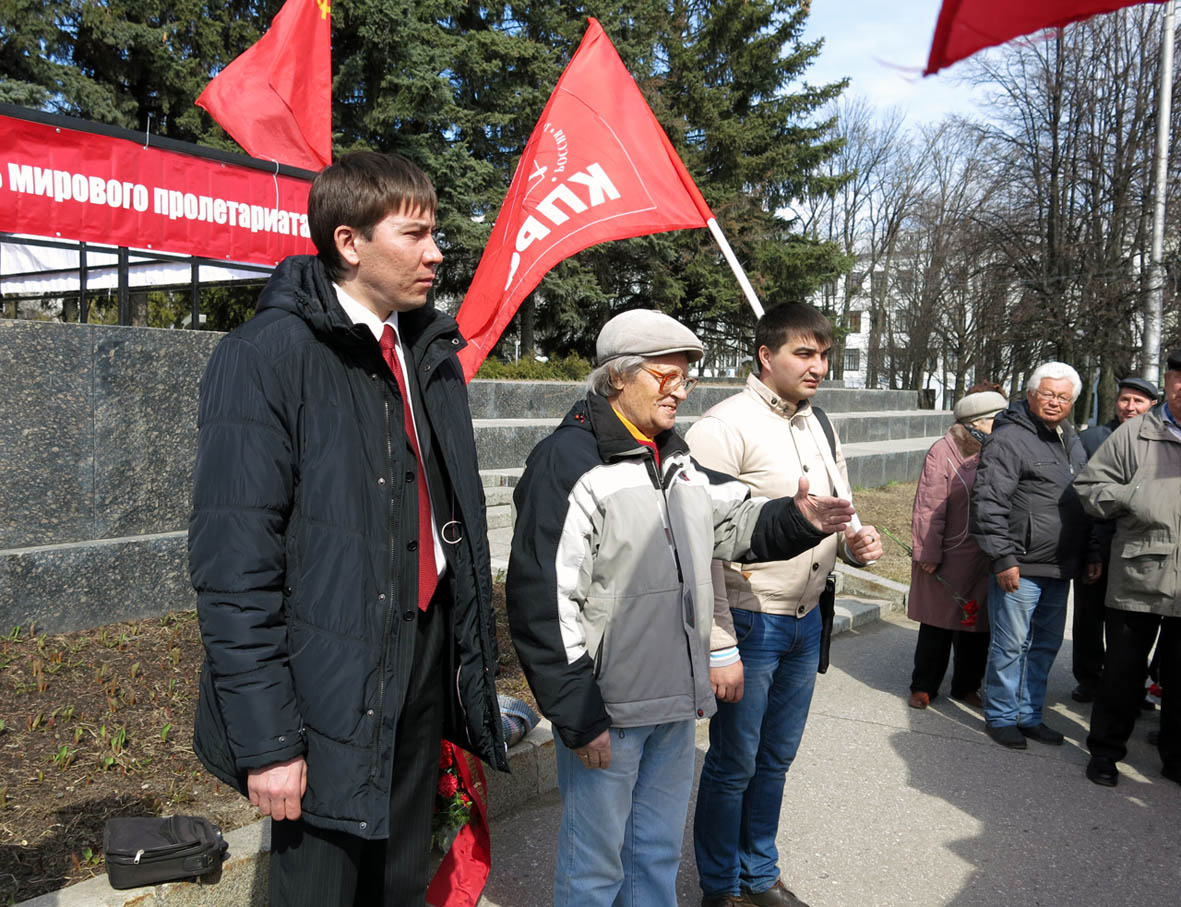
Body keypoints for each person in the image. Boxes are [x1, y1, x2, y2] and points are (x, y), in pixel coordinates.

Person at [188, 151, 507, 907]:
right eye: (414, 234)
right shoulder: (267, 356)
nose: (435, 253)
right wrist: (268, 743)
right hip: (322, 680)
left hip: (419, 661)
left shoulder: (427, 355)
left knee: (398, 884)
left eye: (436, 235)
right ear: (348, 241)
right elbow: (235, 564)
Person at [505, 309, 857, 907]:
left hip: (672, 702)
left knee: (655, 856)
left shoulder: (675, 456)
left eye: (687, 378)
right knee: (594, 869)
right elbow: (544, 602)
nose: (681, 390)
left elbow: (737, 520)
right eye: (667, 376)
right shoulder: (568, 462)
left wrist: (800, 518)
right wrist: (578, 713)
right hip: (608, 708)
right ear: (618, 377)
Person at [685, 303, 882, 907]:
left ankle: (758, 873)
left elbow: (837, 509)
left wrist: (855, 543)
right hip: (750, 619)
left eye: (824, 354)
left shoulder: (818, 423)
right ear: (766, 355)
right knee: (734, 763)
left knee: (775, 761)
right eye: (804, 353)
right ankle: (720, 887)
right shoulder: (722, 427)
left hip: (806, 618)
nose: (818, 365)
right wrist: (719, 643)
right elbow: (702, 548)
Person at [969, 362, 1090, 749]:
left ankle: (1029, 714)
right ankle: (1002, 716)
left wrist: (1090, 552)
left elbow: (1085, 500)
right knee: (1010, 645)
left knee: (1044, 646)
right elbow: (988, 502)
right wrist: (1002, 558)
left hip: (1060, 565)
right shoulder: (1009, 439)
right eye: (1048, 394)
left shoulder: (1070, 439)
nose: (1055, 402)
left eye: (1064, 397)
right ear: (1032, 394)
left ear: (1072, 403)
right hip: (1020, 564)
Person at [1076, 352, 1181, 787]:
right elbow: (1088, 487)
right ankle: (1104, 752)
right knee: (1123, 671)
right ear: (1170, 383)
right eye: (1179, 380)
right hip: (1140, 568)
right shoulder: (1135, 433)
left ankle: (1174, 758)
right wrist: (1132, 496)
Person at [906, 388, 1007, 710]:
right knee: (937, 624)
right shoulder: (944, 450)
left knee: (976, 626)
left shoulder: (998, 448)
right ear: (979, 421)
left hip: (981, 555)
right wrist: (928, 553)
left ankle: (966, 686)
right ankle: (924, 686)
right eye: (998, 419)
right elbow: (928, 505)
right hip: (948, 553)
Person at [1071, 376, 1160, 703]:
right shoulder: (1093, 438)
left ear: (1152, 404)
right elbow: (1080, 496)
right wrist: (1090, 548)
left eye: (1138, 401)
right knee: (1089, 618)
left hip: (1141, 549)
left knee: (1134, 623)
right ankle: (1090, 678)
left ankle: (1131, 685)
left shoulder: (1162, 440)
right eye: (1125, 400)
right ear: (1116, 401)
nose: (1130, 407)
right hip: (1098, 542)